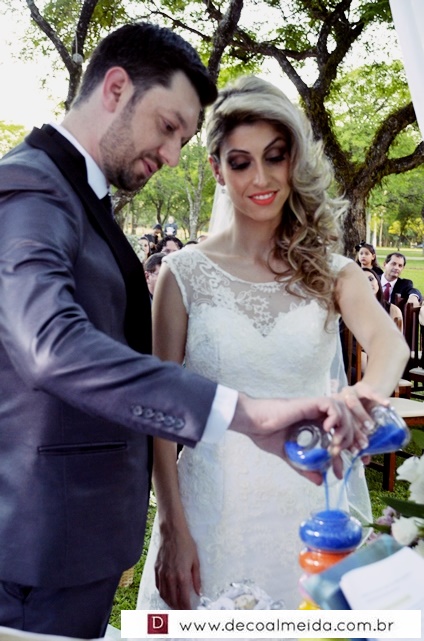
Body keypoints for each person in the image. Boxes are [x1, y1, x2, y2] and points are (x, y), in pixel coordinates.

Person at [0, 26, 362, 639]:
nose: (172, 155)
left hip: (74, 544)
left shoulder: (80, 196)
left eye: (184, 140)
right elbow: (51, 345)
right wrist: (241, 412)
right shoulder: (32, 187)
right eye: (167, 127)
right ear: (116, 88)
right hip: (36, 548)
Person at [136, 76, 409, 620]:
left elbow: (390, 347)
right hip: (210, 507)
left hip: (309, 500)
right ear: (217, 169)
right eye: (241, 162)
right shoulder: (183, 274)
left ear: (294, 161)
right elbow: (160, 412)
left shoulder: (333, 271)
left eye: (275, 157)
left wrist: (358, 403)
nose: (260, 178)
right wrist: (171, 525)